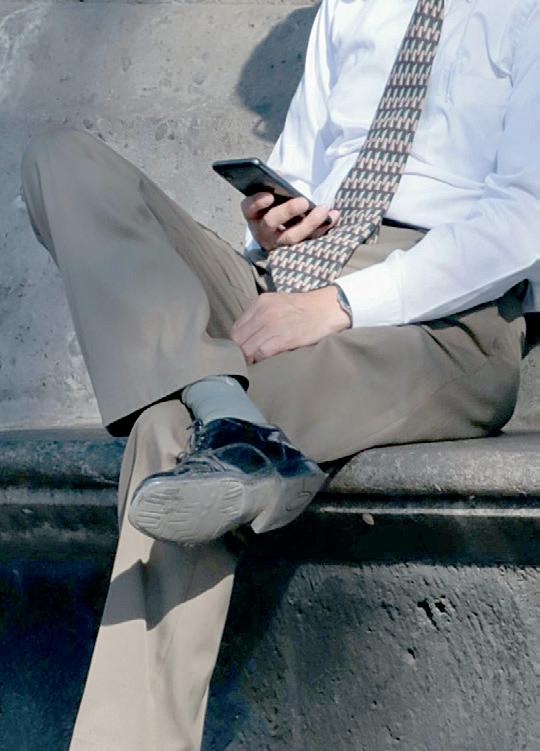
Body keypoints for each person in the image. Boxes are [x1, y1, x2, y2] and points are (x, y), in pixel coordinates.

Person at [20, 0, 539, 748]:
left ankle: (219, 414)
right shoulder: (352, 7)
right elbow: (299, 172)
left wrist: (342, 303)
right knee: (62, 160)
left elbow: (526, 218)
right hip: (293, 276)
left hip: (438, 314)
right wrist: (267, 229)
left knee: (171, 428)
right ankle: (226, 408)